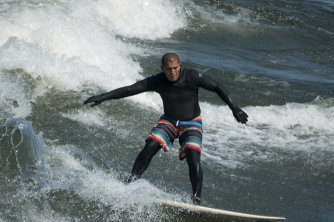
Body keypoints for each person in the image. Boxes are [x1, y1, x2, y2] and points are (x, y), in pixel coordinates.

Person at [84, 53, 248, 205]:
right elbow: (130, 89)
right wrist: (102, 97)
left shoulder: (192, 76)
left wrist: (235, 108)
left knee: (193, 156)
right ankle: (128, 184)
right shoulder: (157, 80)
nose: (173, 72)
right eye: (168, 69)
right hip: (169, 120)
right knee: (149, 147)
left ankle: (196, 198)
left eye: (175, 68)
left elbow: (217, 86)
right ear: (162, 69)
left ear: (180, 66)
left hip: (191, 121)